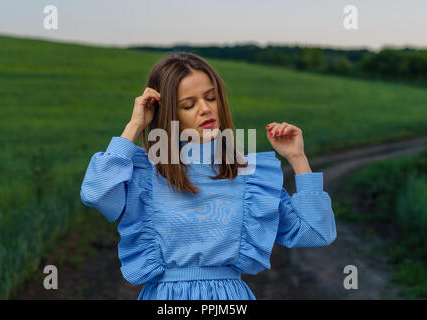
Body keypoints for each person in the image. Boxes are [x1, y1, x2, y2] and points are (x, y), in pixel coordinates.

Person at [80, 52, 337, 300]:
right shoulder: (144, 173)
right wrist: (134, 125)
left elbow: (315, 233)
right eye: (188, 105)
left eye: (211, 98)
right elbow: (96, 194)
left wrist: (297, 159)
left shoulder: (248, 176)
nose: (205, 109)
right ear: (167, 112)